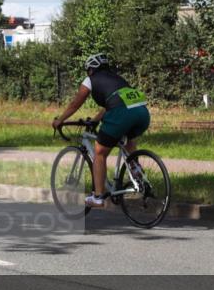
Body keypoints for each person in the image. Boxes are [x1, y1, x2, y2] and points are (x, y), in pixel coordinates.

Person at [52, 54, 151, 207]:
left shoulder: (90, 80)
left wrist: (60, 120)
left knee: (99, 152)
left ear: (90, 69)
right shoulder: (116, 79)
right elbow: (111, 103)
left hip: (122, 114)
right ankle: (137, 173)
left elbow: (75, 104)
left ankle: (98, 196)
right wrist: (96, 120)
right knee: (128, 138)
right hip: (142, 113)